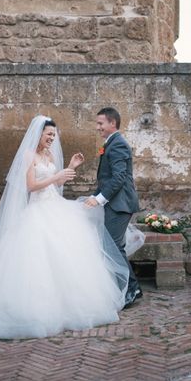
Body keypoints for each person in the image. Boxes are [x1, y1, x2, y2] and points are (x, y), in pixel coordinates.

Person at [0, 115, 129, 339]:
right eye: (49, 134)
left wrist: (70, 167)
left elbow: (57, 183)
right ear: (39, 134)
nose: (52, 138)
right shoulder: (28, 156)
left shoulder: (49, 154)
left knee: (68, 254)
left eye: (54, 135)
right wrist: (56, 177)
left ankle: (69, 305)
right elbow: (32, 186)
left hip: (55, 206)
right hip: (37, 211)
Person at [84, 107, 143, 308]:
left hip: (120, 204)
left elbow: (118, 178)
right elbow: (107, 178)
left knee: (113, 248)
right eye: (97, 123)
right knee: (113, 247)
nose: (97, 127)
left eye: (101, 123)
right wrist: (93, 197)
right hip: (115, 203)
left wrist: (99, 199)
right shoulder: (111, 143)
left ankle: (132, 289)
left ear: (112, 123)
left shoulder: (118, 144)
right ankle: (126, 288)